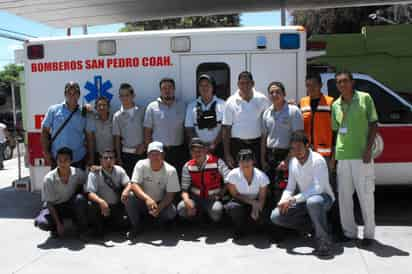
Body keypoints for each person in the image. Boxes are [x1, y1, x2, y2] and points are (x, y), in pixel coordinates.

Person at [331, 71, 378, 247]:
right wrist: (335, 158)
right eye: (338, 82)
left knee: (365, 195)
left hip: (362, 157)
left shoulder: (365, 98)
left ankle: (369, 234)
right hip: (343, 157)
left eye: (344, 81)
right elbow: (337, 133)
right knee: (344, 197)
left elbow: (374, 124)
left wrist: (368, 149)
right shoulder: (336, 105)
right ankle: (349, 233)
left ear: (352, 82)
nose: (341, 85)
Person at [270, 132, 335, 257]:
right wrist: (283, 201)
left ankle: (324, 242)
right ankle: (313, 227)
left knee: (313, 201)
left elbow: (318, 188)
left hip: (323, 199)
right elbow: (290, 188)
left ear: (307, 146)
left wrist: (293, 199)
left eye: (299, 147)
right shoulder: (293, 162)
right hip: (303, 200)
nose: (297, 151)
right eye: (293, 148)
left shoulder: (318, 160)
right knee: (276, 216)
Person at [300, 73, 343, 238]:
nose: (310, 88)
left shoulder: (332, 102)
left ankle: (337, 229)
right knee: (311, 191)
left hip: (326, 156)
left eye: (313, 85)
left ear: (321, 85)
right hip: (308, 157)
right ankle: (314, 225)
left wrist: (334, 157)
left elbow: (337, 132)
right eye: (308, 85)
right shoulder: (302, 102)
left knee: (330, 191)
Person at [124, 141, 181, 239]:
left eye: (157, 154)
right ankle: (136, 226)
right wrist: (147, 199)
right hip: (143, 201)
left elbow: (170, 195)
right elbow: (134, 184)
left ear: (163, 155)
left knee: (171, 211)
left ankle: (158, 223)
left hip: (160, 202)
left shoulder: (171, 170)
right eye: (152, 154)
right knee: (129, 196)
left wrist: (159, 208)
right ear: (147, 155)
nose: (155, 157)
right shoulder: (140, 164)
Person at [261, 81, 303, 202]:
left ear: (284, 94)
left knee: (286, 190)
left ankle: (285, 218)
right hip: (270, 155)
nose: (274, 94)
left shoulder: (293, 111)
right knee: (269, 189)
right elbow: (264, 137)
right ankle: (272, 218)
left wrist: (287, 160)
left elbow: (298, 138)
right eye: (271, 92)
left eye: (277, 92)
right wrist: (263, 159)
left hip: (287, 155)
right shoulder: (266, 113)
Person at [34, 147, 88, 239]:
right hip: (55, 206)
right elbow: (49, 203)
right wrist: (58, 224)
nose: (62, 163)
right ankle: (55, 227)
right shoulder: (49, 179)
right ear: (56, 161)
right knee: (41, 223)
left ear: (71, 161)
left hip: (69, 205)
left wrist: (96, 169)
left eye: (66, 160)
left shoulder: (78, 173)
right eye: (60, 160)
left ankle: (82, 229)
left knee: (80, 199)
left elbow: (88, 179)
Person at [41, 82, 94, 169]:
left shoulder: (84, 112)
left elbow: (89, 137)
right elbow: (44, 131)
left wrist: (91, 158)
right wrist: (46, 153)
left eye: (75, 93)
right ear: (65, 94)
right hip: (58, 160)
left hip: (78, 159)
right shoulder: (53, 110)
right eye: (69, 93)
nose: (72, 95)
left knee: (79, 183)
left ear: (79, 95)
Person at [222, 71, 270, 169]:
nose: (245, 86)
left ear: (253, 83)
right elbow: (226, 129)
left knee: (256, 175)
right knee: (239, 176)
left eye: (248, 83)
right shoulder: (230, 102)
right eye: (242, 83)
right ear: (238, 84)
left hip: (257, 145)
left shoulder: (262, 99)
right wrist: (227, 154)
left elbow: (269, 119)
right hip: (237, 145)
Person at [177, 138, 230, 223]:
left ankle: (212, 224)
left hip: (213, 198)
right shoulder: (187, 166)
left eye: (199, 150)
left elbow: (229, 180)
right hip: (195, 198)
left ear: (205, 150)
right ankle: (194, 222)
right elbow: (184, 189)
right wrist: (187, 201)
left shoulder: (217, 162)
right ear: (190, 152)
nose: (196, 153)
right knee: (182, 207)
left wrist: (220, 195)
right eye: (193, 151)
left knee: (216, 211)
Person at [84, 150, 132, 237]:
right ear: (100, 160)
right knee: (90, 204)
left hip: (116, 206)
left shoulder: (119, 170)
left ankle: (118, 226)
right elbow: (90, 193)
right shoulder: (94, 173)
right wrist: (101, 202)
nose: (108, 160)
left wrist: (125, 191)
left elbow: (129, 183)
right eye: (105, 158)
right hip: (101, 207)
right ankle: (97, 229)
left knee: (130, 196)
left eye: (111, 158)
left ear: (115, 160)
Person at [144, 78, 186, 175]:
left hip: (178, 150)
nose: (167, 90)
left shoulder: (182, 105)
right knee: (160, 177)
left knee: (177, 177)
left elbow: (185, 128)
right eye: (164, 88)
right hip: (159, 151)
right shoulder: (152, 107)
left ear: (174, 89)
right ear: (160, 90)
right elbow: (147, 131)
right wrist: (149, 151)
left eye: (170, 87)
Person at [225, 149, 270, 240]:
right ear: (238, 163)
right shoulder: (232, 175)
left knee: (263, 214)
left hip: (257, 201)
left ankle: (256, 226)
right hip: (240, 201)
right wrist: (251, 202)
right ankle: (239, 228)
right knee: (233, 207)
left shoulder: (261, 176)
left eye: (248, 160)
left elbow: (262, 198)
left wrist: (256, 209)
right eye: (242, 161)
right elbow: (234, 194)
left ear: (253, 161)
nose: (245, 164)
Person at [185, 74, 225, 157]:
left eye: (207, 85)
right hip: (198, 149)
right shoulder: (191, 106)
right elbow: (189, 129)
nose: (204, 88)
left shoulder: (223, 104)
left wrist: (213, 145)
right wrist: (200, 146)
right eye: (201, 85)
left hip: (218, 147)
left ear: (212, 87)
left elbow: (224, 128)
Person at [112, 83, 145, 177]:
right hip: (126, 155)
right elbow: (117, 139)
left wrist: (144, 145)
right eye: (122, 96)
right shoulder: (117, 116)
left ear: (133, 95)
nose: (124, 98)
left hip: (142, 153)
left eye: (127, 95)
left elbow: (148, 131)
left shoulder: (142, 111)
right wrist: (118, 158)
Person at [87, 96, 114, 164]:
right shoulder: (92, 118)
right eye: (99, 105)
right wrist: (91, 159)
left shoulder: (114, 119)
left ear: (108, 107)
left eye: (104, 105)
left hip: (112, 156)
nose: (102, 107)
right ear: (95, 108)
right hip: (98, 156)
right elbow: (91, 140)